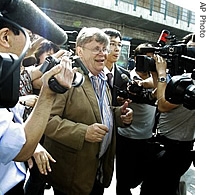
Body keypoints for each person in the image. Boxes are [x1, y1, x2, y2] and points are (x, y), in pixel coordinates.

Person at [40, 27, 133, 195]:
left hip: (97, 173)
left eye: (105, 49)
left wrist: (118, 115)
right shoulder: (65, 77)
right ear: (80, 51)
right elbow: (46, 120)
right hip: (72, 176)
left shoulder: (102, 77)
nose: (103, 53)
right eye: (96, 49)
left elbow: (98, 110)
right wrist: (83, 132)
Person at [0, 1, 76, 194]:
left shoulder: (6, 73)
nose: (29, 46)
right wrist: (48, 95)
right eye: (29, 36)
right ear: (5, 37)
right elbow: (21, 148)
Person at [139, 51, 195, 195]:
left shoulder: (188, 85)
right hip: (178, 148)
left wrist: (162, 72)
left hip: (172, 151)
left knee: (154, 189)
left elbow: (162, 105)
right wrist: (156, 74)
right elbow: (163, 94)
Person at [114, 43, 160, 195]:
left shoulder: (160, 80)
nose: (149, 63)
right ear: (135, 59)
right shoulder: (125, 78)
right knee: (124, 182)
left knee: (143, 180)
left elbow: (159, 89)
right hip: (126, 138)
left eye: (152, 60)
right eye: (146, 59)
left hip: (147, 139)